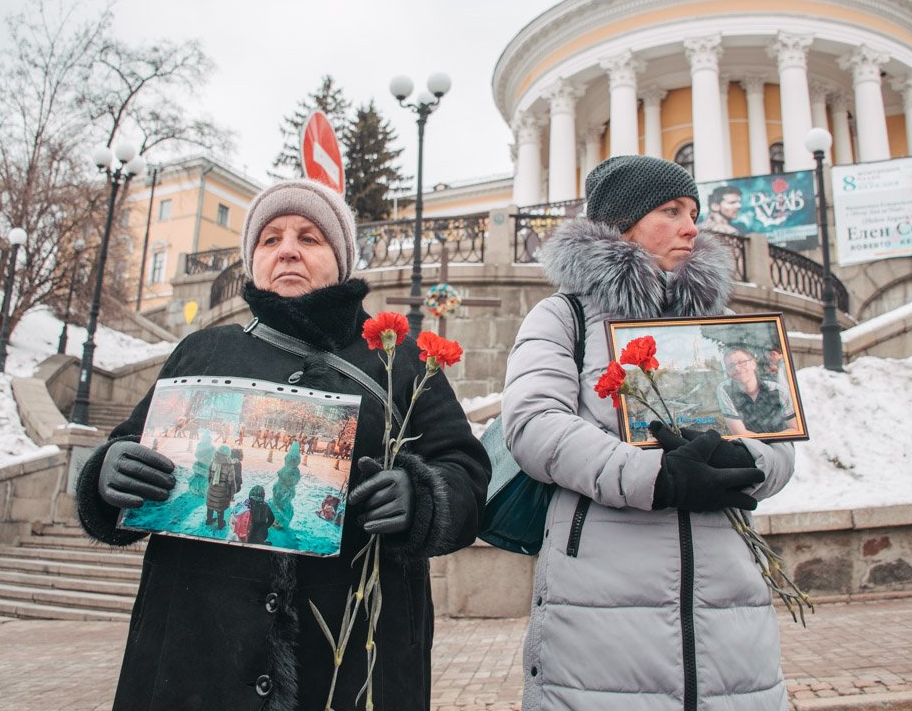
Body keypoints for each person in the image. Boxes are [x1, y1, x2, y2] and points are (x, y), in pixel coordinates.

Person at [76, 178, 490, 711]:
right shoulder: (202, 352)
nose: (287, 250)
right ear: (253, 261)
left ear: (341, 260)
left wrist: (422, 497)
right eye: (270, 239)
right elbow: (132, 450)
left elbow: (466, 472)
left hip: (349, 664)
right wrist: (107, 474)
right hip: (196, 658)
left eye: (309, 237)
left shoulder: (398, 360)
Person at [503, 155, 796, 711]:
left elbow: (777, 436)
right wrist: (656, 477)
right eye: (671, 211)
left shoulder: (720, 325)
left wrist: (741, 464)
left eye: (694, 213)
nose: (692, 228)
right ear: (622, 224)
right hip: (600, 604)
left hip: (728, 609)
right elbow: (534, 424)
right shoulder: (564, 317)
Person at [716, 347, 798, 435]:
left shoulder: (778, 390)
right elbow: (739, 433)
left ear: (753, 364)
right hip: (749, 444)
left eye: (742, 362)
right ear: (728, 371)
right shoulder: (725, 389)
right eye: (731, 366)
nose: (737, 368)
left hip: (781, 443)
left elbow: (795, 428)